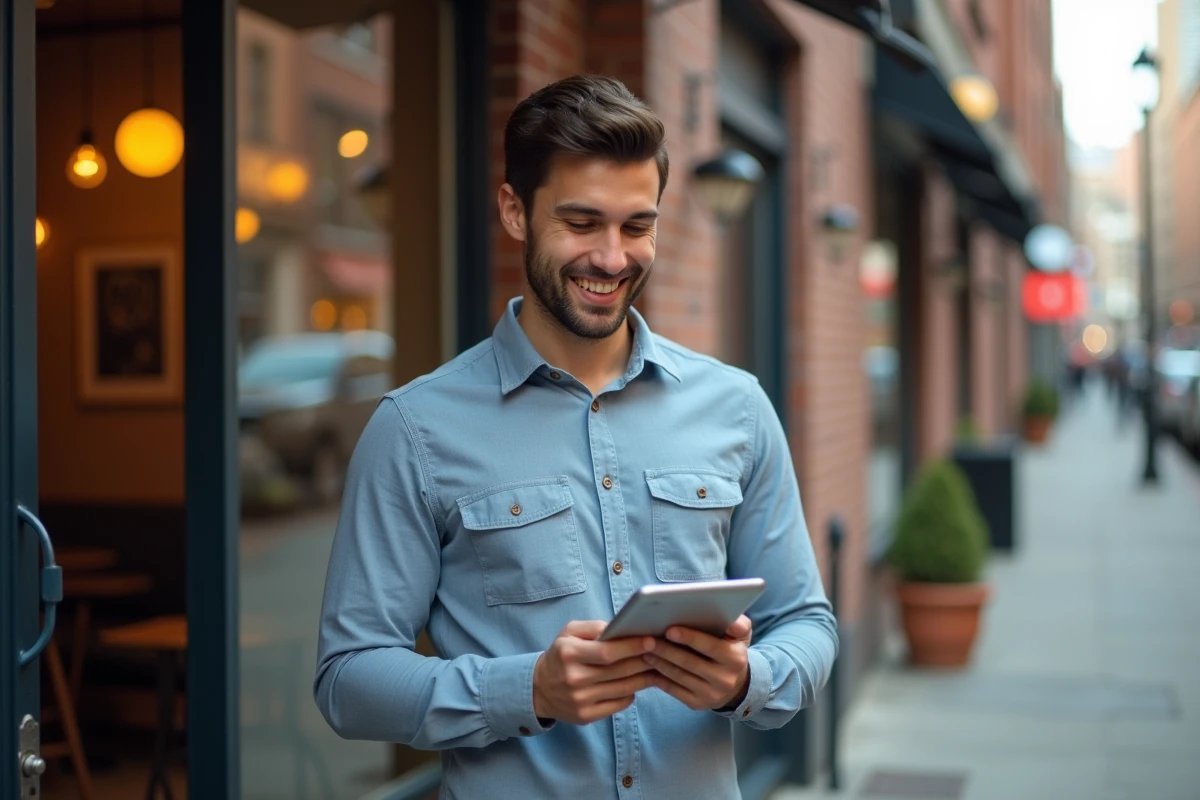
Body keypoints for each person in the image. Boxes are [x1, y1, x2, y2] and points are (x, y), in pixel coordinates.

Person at [314, 74, 838, 799]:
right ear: (514, 211)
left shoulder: (737, 407)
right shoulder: (413, 429)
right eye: (582, 223)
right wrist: (525, 689)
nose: (614, 258)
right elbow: (347, 680)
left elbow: (806, 623)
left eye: (637, 226)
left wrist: (749, 678)